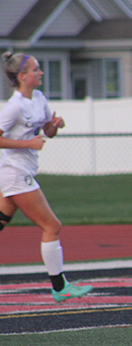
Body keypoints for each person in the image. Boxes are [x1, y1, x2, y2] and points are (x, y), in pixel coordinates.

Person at [0, 52, 92, 303]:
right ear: (21, 77)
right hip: (14, 172)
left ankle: (60, 287)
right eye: (35, 69)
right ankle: (60, 287)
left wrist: (55, 125)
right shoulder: (14, 106)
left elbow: (46, 133)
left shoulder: (38, 98)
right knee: (52, 226)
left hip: (23, 170)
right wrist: (27, 143)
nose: (40, 73)